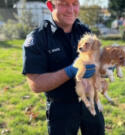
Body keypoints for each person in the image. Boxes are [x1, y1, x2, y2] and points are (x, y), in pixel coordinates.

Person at [22, 0, 105, 135]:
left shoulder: (84, 31)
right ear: (51, 6)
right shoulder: (38, 38)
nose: (71, 10)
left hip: (90, 102)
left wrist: (104, 67)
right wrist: (70, 71)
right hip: (61, 109)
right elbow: (35, 84)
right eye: (64, 4)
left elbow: (96, 60)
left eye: (75, 3)